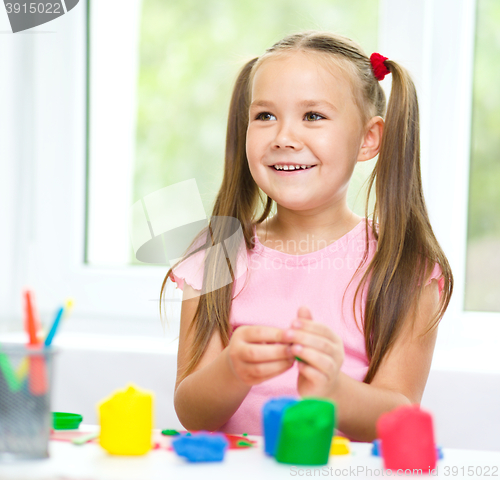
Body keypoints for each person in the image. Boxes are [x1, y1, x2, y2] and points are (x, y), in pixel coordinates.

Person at [160, 31, 453, 442]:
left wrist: (334, 391)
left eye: (313, 116)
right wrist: (231, 371)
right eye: (264, 116)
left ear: (369, 139)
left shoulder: (406, 268)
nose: (283, 137)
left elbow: (397, 414)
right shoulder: (216, 256)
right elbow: (192, 412)